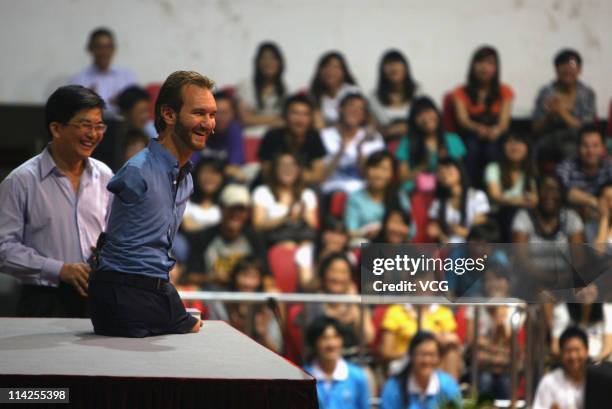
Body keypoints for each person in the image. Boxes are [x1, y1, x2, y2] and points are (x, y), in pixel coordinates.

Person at [88, 71, 217, 337]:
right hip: (124, 294)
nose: (209, 123)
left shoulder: (187, 180)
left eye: (212, 114)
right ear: (169, 115)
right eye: (199, 113)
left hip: (153, 290)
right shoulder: (137, 171)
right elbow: (123, 260)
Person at [0, 85, 112, 317]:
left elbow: (115, 232)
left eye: (99, 126)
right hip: (43, 299)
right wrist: (59, 270)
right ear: (56, 128)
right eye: (85, 125)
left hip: (97, 296)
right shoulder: (21, 181)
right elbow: (3, 248)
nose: (93, 134)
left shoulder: (105, 176)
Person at [184, 184, 271, 290]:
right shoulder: (203, 237)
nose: (236, 214)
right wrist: (212, 278)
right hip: (212, 294)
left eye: (241, 210)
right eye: (231, 209)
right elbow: (190, 276)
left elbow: (267, 276)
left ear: (248, 213)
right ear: (221, 208)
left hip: (247, 294)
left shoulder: (255, 238)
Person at [452, 46, 514, 187]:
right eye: (480, 62)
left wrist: (495, 131)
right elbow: (463, 120)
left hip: (496, 133)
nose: (484, 68)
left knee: (492, 149)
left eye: (490, 63)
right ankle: (470, 190)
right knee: (472, 147)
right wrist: (478, 128)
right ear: (473, 65)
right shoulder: (460, 91)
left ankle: (494, 191)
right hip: (471, 132)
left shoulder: (505, 91)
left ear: (496, 68)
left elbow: (504, 122)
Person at [533, 49, 597, 164]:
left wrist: (562, 113)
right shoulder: (546, 92)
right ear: (556, 69)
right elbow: (536, 128)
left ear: (579, 70)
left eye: (572, 66)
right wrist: (549, 116)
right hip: (550, 138)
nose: (567, 70)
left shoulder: (587, 93)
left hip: (577, 140)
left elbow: (587, 129)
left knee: (571, 148)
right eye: (563, 66)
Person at [396, 97, 466, 194]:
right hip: (417, 192)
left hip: (446, 191)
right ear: (413, 121)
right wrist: (424, 166)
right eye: (420, 115)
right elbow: (403, 178)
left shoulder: (453, 140)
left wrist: (445, 161)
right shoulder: (406, 142)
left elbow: (461, 174)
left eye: (429, 112)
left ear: (437, 113)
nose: (426, 118)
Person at [321, 93, 385, 194]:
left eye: (360, 109)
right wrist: (340, 152)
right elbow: (321, 177)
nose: (355, 111)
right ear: (340, 109)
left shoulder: (373, 138)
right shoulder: (323, 137)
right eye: (351, 106)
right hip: (332, 191)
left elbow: (373, 177)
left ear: (364, 116)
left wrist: (360, 150)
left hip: (364, 193)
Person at [557, 124, 612, 242]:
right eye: (585, 145)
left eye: (595, 145)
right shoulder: (567, 166)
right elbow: (562, 190)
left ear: (603, 148)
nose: (590, 151)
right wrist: (594, 202)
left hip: (604, 220)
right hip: (573, 220)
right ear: (577, 148)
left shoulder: (609, 166)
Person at [380, 331, 462, 409]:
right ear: (411, 356)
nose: (427, 360)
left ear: (438, 358)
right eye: (422, 354)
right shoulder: (394, 387)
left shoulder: (448, 385)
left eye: (432, 355)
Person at [258, 94, 327, 185]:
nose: (300, 120)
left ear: (311, 119)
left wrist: (289, 174)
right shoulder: (272, 136)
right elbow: (266, 172)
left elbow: (318, 175)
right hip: (273, 185)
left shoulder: (314, 137)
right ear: (285, 116)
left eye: (305, 114)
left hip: (302, 185)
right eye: (295, 113)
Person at [252, 152, 318, 246]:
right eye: (283, 165)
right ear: (275, 169)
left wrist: (303, 215)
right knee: (288, 245)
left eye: (292, 166)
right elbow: (258, 225)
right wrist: (285, 217)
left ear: (298, 170)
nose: (288, 169)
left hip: (302, 237)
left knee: (307, 246)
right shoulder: (263, 192)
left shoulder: (307, 194)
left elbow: (313, 226)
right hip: (273, 239)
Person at [304, 316, 370, 409]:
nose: (331, 344)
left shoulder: (357, 376)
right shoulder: (303, 378)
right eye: (324, 338)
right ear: (314, 342)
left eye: (335, 337)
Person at [345, 150, 411, 243]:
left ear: (392, 173)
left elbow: (411, 230)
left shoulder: (399, 195)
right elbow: (351, 232)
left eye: (384, 169)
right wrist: (366, 232)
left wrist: (388, 229)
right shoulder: (355, 198)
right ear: (366, 170)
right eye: (374, 167)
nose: (378, 174)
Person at [68, 27, 137, 113]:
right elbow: (71, 110)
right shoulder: (78, 79)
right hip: (90, 124)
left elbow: (136, 107)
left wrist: (123, 102)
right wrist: (86, 101)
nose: (104, 52)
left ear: (114, 49)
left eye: (108, 47)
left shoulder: (127, 77)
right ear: (90, 48)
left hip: (121, 124)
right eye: (99, 47)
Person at [484, 132, 537, 242]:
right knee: (511, 213)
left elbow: (534, 199)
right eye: (510, 142)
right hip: (499, 218)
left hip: (523, 218)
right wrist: (519, 201)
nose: (514, 146)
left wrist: (521, 201)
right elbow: (496, 196)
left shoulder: (530, 172)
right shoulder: (493, 168)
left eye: (519, 142)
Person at [427, 158, 490, 244]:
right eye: (440, 171)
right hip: (448, 250)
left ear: (459, 170)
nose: (444, 173)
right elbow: (434, 229)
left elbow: (480, 231)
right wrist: (440, 234)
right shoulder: (438, 203)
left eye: (448, 168)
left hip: (472, 248)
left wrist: (459, 231)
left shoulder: (477, 196)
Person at [196, 90, 246, 182]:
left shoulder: (234, 130)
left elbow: (234, 168)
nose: (220, 117)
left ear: (233, 114)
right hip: (198, 181)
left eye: (225, 112)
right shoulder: (198, 129)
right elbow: (190, 166)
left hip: (224, 182)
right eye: (216, 113)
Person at [533, 326, 588, 409]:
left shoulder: (597, 381)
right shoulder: (549, 382)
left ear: (586, 351)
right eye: (568, 351)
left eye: (577, 350)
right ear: (561, 353)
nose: (573, 356)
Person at [237, 42, 286, 129]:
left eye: (273, 58)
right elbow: (245, 119)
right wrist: (276, 119)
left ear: (280, 63)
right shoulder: (246, 86)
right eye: (264, 58)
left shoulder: (286, 89)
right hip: (249, 137)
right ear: (258, 62)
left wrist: (256, 117)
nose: (268, 62)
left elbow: (286, 120)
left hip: (275, 137)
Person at [370, 50, 417, 140]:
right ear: (382, 71)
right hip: (385, 145)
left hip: (415, 143)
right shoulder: (373, 98)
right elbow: (372, 129)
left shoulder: (418, 92)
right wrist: (389, 131)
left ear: (406, 68)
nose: (393, 68)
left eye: (398, 63)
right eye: (389, 64)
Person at [310, 51, 360, 128]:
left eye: (336, 67)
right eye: (326, 66)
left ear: (344, 72)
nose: (330, 71)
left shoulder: (352, 92)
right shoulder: (315, 94)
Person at [181, 157, 224, 233]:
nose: (209, 177)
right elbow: (188, 226)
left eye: (214, 173)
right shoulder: (186, 201)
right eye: (205, 172)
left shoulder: (224, 203)